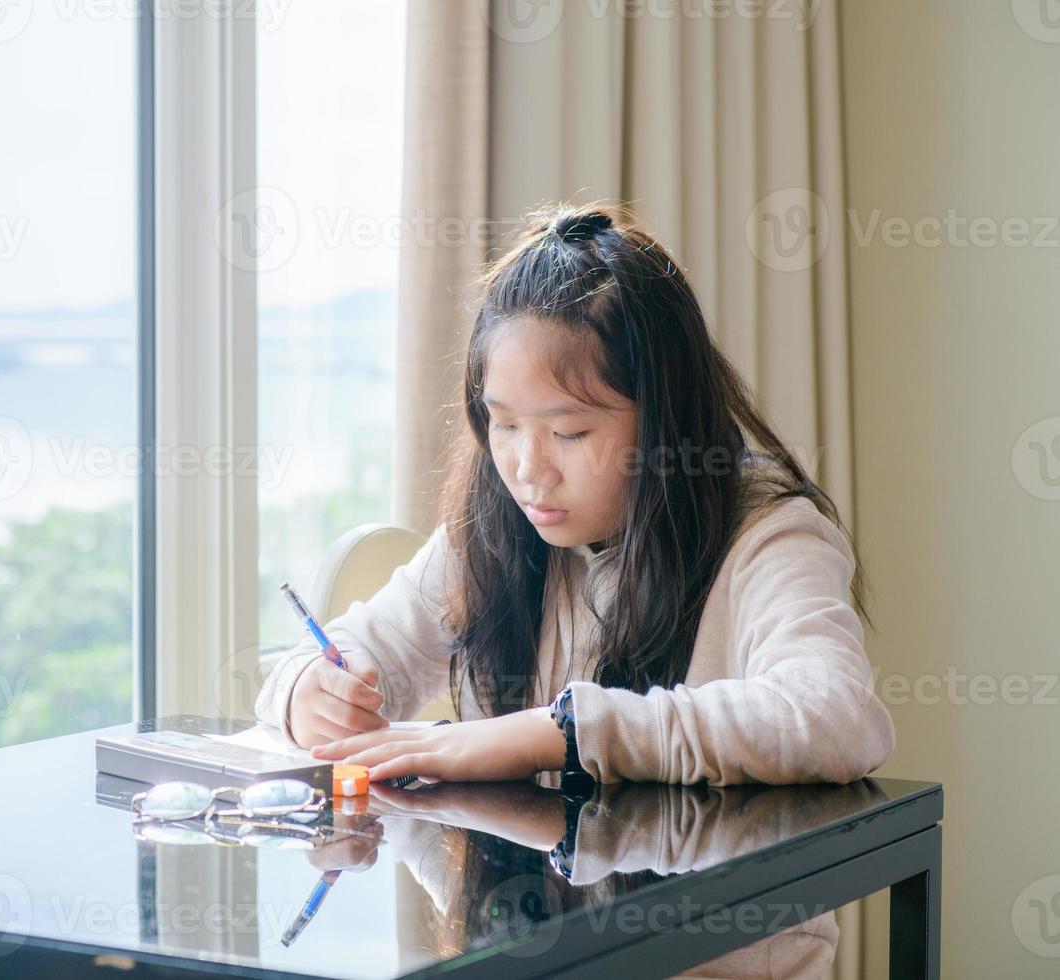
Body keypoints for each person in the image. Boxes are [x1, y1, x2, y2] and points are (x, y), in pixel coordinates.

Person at [253, 202, 896, 786]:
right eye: (503, 425)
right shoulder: (498, 525)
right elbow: (344, 652)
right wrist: (307, 691)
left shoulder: (767, 534)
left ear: (664, 419)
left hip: (721, 914)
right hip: (540, 914)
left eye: (568, 432)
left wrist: (556, 733)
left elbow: (834, 716)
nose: (529, 469)